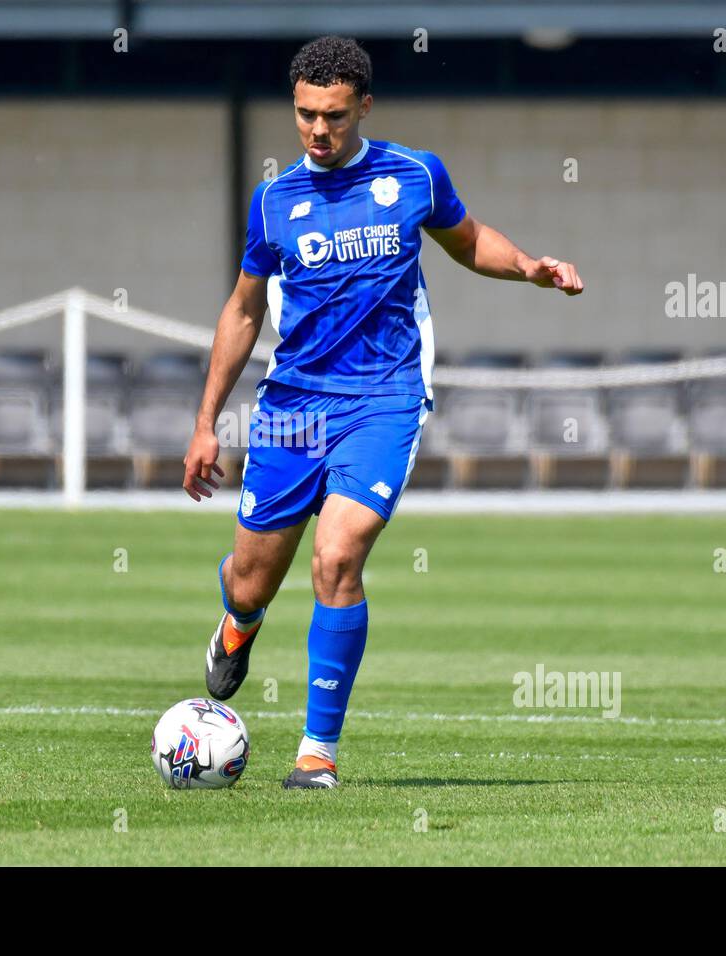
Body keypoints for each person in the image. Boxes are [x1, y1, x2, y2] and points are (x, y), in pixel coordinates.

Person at [182, 35, 583, 789]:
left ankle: (316, 755)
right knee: (250, 580)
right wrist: (206, 423)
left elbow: (469, 242)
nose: (317, 132)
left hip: (384, 400)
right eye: (304, 116)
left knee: (338, 557)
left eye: (332, 116)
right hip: (292, 407)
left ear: (363, 106)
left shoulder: (414, 176)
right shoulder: (273, 204)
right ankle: (238, 626)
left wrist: (528, 266)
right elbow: (241, 313)